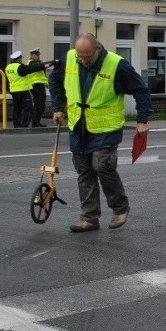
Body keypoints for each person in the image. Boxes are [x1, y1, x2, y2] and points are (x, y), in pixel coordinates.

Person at [49, 33, 152, 232]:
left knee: (102, 166)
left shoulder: (117, 65)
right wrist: (58, 107)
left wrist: (142, 120)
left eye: (87, 57)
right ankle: (89, 217)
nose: (83, 61)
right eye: (81, 57)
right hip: (79, 126)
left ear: (98, 49)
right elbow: (54, 81)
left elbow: (141, 90)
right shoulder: (70, 58)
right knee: (84, 171)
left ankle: (120, 208)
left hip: (106, 128)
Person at [5, 50, 52, 128]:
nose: (21, 60)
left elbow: (6, 80)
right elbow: (31, 69)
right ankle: (24, 124)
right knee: (28, 108)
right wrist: (43, 66)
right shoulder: (20, 67)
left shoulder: (8, 67)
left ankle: (16, 125)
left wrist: (9, 90)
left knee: (17, 109)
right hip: (23, 91)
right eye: (21, 58)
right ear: (19, 59)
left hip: (14, 91)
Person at [28, 48, 51, 127]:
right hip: (36, 85)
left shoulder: (37, 62)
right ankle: (35, 123)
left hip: (40, 85)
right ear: (32, 55)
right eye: (37, 55)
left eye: (39, 55)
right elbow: (38, 67)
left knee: (41, 105)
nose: (39, 56)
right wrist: (44, 65)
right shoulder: (31, 63)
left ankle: (37, 122)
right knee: (38, 105)